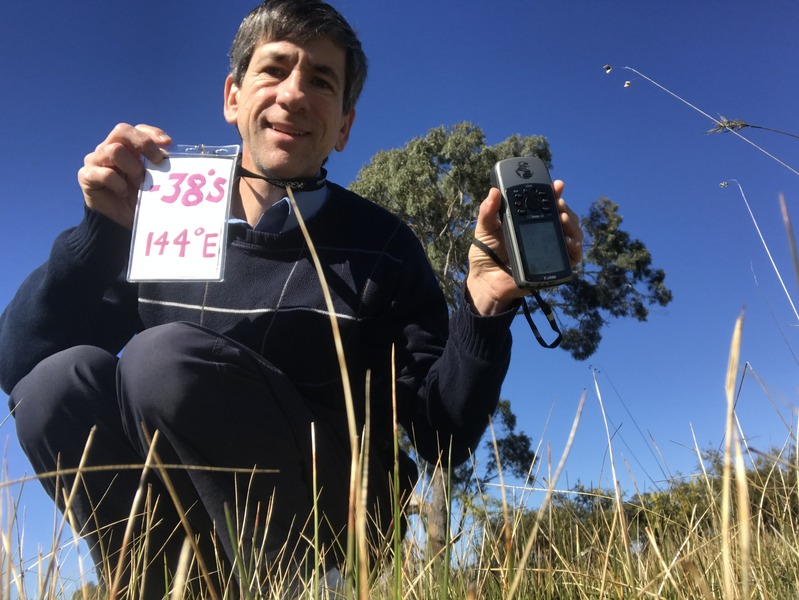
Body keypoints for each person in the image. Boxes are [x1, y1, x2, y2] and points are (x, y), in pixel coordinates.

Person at [0, 0, 583, 597]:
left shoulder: (381, 248)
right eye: (274, 70)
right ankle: (164, 588)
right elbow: (19, 365)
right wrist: (100, 235)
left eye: (322, 81)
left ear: (345, 125)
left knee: (161, 360)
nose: (295, 94)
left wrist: (484, 308)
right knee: (57, 385)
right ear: (233, 96)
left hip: (330, 522)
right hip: (185, 536)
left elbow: (441, 437)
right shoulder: (167, 217)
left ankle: (308, 586)